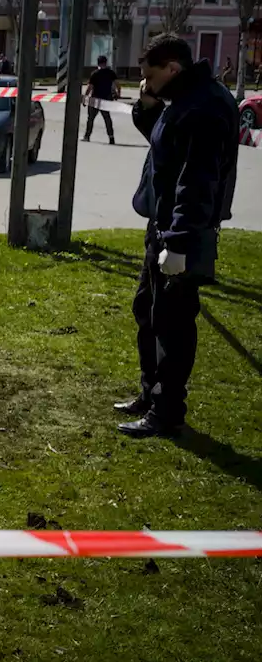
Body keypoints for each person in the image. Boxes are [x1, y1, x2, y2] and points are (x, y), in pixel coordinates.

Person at [115, 34, 238, 438]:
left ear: (173, 69)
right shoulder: (183, 102)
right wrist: (146, 107)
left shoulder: (205, 107)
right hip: (164, 228)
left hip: (184, 234)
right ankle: (150, 394)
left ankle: (168, 411)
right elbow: (164, 147)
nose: (146, 86)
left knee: (173, 323)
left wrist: (180, 242)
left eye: (151, 79)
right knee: (147, 311)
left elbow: (198, 180)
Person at [84, 55, 121, 144]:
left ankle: (87, 136)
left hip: (95, 99)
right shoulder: (111, 73)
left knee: (91, 118)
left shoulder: (95, 74)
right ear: (106, 62)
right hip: (106, 99)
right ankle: (111, 138)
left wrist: (85, 97)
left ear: (98, 63)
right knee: (107, 118)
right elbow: (118, 85)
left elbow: (90, 87)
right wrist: (118, 94)